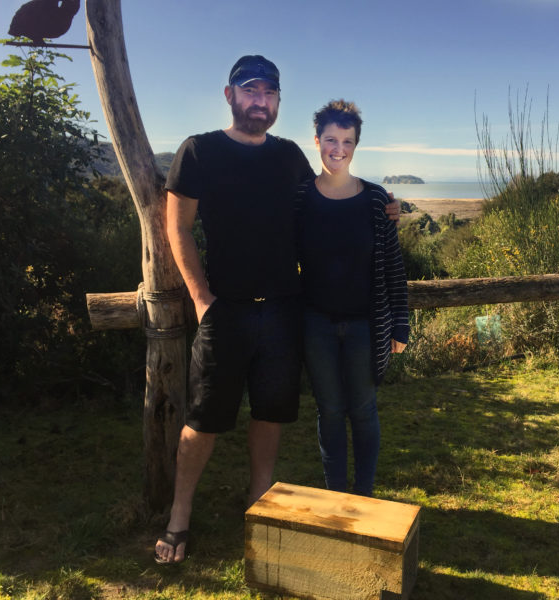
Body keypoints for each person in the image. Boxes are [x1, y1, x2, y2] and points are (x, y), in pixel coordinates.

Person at [155, 57, 399, 565]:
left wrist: (382, 204)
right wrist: (203, 301)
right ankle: (179, 516)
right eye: (251, 91)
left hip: (286, 310)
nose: (260, 101)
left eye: (269, 93)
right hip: (225, 311)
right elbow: (176, 228)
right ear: (230, 95)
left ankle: (258, 504)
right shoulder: (199, 151)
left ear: (278, 102)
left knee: (271, 415)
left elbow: (329, 194)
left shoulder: (288, 156)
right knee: (204, 418)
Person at [296, 100, 409, 497]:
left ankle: (363, 496)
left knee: (362, 409)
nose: (337, 148)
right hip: (315, 325)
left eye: (346, 140)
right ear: (317, 141)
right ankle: (336, 495)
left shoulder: (377, 200)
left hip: (366, 325)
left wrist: (401, 323)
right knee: (328, 411)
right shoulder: (300, 199)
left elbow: (394, 266)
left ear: (356, 145)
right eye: (330, 139)